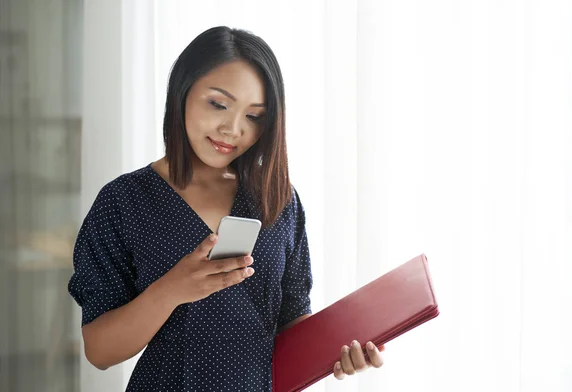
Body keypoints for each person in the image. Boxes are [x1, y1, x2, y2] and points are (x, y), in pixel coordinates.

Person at [68, 26, 384, 391]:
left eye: (254, 116)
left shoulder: (277, 198)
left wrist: (342, 350)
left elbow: (293, 320)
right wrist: (171, 290)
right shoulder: (124, 201)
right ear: (182, 92)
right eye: (218, 104)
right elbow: (100, 351)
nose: (233, 129)